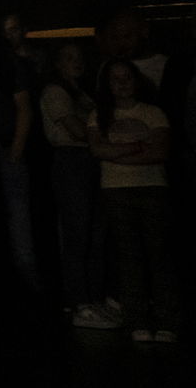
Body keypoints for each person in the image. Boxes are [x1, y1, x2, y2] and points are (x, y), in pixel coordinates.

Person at [86, 60, 178, 342]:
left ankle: (167, 320)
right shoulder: (98, 115)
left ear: (136, 81)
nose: (122, 83)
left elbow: (160, 151)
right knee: (128, 257)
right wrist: (138, 146)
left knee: (158, 255)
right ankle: (137, 319)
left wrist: (118, 151)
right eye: (116, 79)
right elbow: (98, 150)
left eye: (127, 77)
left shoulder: (154, 113)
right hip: (116, 189)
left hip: (152, 187)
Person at [39, 41, 116, 328]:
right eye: (69, 58)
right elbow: (74, 129)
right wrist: (108, 140)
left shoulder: (83, 93)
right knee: (78, 233)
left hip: (91, 160)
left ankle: (93, 299)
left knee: (95, 234)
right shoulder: (55, 92)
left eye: (79, 57)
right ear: (57, 64)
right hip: (73, 161)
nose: (77, 62)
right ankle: (79, 302)